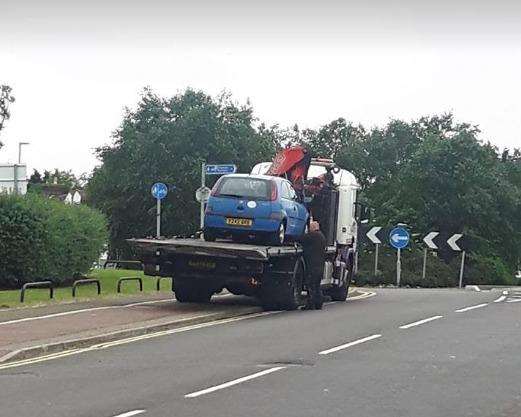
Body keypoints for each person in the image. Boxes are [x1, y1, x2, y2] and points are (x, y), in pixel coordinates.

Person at [299, 220, 326, 310]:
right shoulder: (321, 236)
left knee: (311, 285)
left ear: (314, 228)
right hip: (319, 265)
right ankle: (318, 304)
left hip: (312, 265)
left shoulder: (313, 236)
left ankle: (311, 304)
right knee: (317, 285)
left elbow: (301, 239)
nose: (309, 229)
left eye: (310, 227)